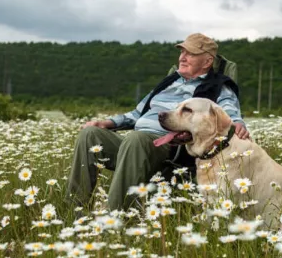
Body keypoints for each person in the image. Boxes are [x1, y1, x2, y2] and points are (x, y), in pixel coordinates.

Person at [66, 33, 249, 211]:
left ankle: (118, 218)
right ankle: (74, 209)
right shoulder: (169, 82)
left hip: (170, 149)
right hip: (135, 145)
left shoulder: (218, 87)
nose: (182, 57)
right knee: (89, 135)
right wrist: (108, 123)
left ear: (207, 61)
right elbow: (138, 113)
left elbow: (228, 111)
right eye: (182, 52)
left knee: (136, 139)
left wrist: (236, 122)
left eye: (190, 54)